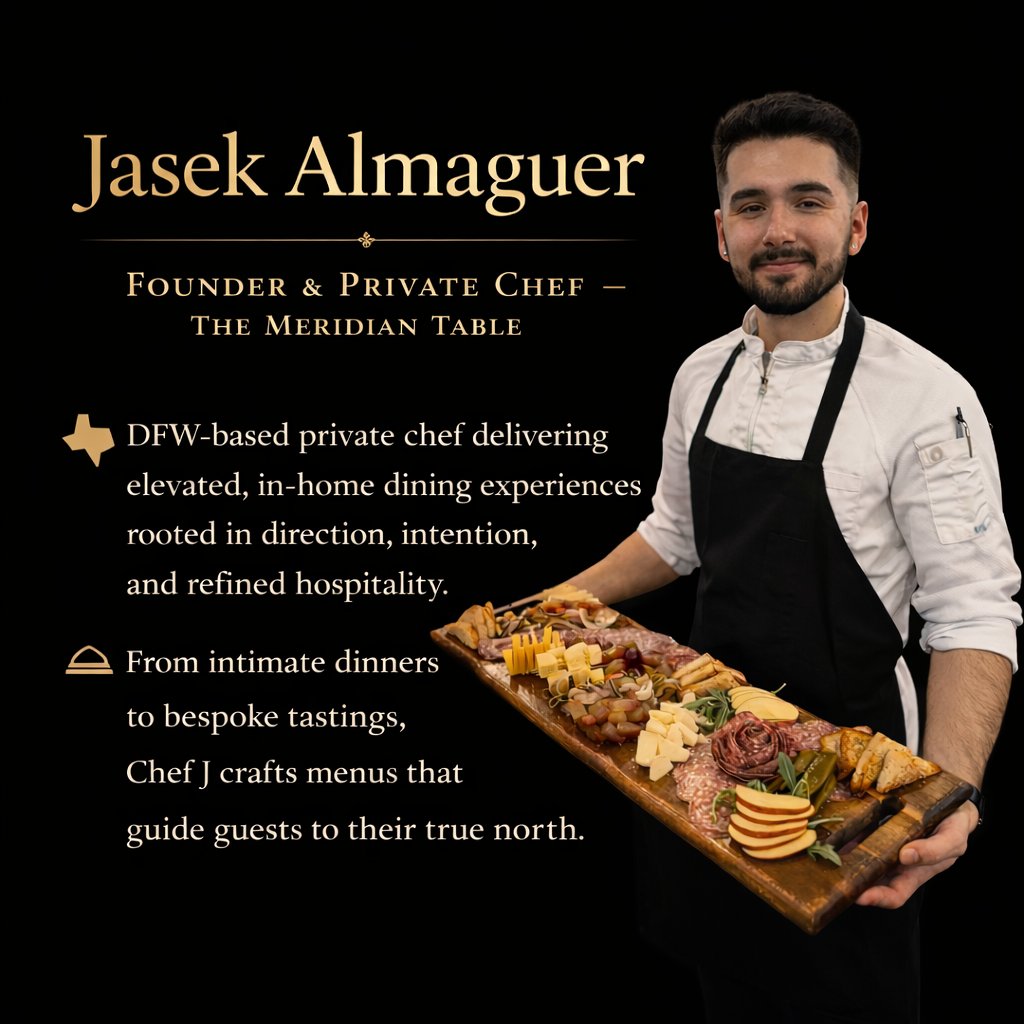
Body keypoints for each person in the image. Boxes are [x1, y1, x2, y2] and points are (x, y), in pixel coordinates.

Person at [566, 93, 1019, 1022]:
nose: (780, 230)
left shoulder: (926, 398)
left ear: (855, 223)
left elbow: (971, 611)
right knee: (725, 987)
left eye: (808, 202)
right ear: (720, 230)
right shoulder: (701, 374)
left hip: (847, 795)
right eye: (751, 205)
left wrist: (944, 799)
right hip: (696, 762)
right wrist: (556, 600)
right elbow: (676, 535)